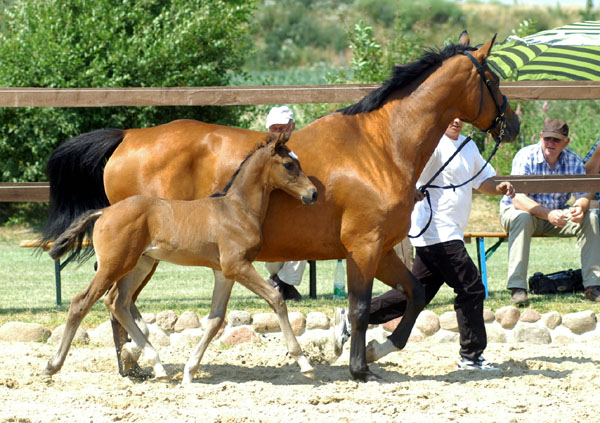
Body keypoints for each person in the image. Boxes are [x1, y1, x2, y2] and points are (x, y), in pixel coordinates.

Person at [335, 118, 514, 371]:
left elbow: (482, 181)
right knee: (471, 288)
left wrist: (500, 188)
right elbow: (408, 171)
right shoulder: (433, 144)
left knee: (414, 294)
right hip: (436, 231)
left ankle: (350, 318)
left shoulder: (468, 146)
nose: (456, 121)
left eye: (461, 116)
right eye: (451, 115)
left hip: (448, 232)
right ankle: (471, 356)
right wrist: (413, 189)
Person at [500, 119, 600, 306]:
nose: (550, 143)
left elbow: (585, 193)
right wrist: (548, 214)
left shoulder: (573, 160)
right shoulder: (525, 156)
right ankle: (517, 288)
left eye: (556, 140)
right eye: (547, 138)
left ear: (566, 142)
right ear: (540, 137)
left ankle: (593, 286)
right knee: (522, 217)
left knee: (591, 217)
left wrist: (580, 207)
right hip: (519, 212)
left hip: (555, 215)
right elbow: (518, 199)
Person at [263, 106, 305, 301]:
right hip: (268, 210)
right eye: (275, 128)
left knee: (303, 238)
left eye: (283, 128)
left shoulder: (302, 150)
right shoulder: (261, 152)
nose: (279, 133)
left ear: (292, 127)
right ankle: (282, 283)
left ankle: (278, 283)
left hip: (296, 212)